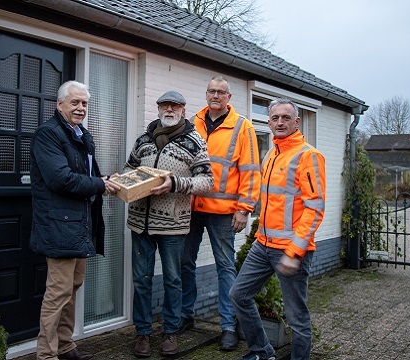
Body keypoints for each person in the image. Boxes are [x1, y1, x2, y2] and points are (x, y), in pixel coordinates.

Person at [229, 98, 326, 360]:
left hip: (291, 250)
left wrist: (294, 252)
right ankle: (262, 351)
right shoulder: (271, 154)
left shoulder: (309, 156)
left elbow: (315, 209)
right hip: (263, 244)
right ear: (269, 122)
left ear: (297, 121)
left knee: (296, 317)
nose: (280, 122)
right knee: (239, 295)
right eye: (275, 118)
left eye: (286, 118)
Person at [29, 80, 120, 360]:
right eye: (75, 102)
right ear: (60, 104)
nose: (80, 108)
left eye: (84, 103)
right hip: (59, 225)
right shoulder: (48, 134)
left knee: (72, 287)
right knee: (57, 293)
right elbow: (60, 179)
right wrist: (100, 184)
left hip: (80, 225)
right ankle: (46, 354)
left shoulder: (83, 134)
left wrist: (106, 181)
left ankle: (65, 345)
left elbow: (90, 175)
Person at [123, 90, 213, 358]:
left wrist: (176, 183)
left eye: (175, 106)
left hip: (173, 225)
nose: (170, 109)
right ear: (159, 108)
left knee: (173, 280)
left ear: (184, 110)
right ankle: (142, 334)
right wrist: (128, 181)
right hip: (140, 222)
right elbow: (129, 169)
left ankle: (171, 331)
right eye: (165, 105)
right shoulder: (144, 139)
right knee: (142, 280)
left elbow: (207, 182)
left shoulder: (195, 141)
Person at [180, 76, 261, 351]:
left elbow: (251, 170)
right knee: (185, 263)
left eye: (221, 92)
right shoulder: (192, 122)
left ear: (229, 98)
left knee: (225, 266)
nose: (216, 95)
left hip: (224, 212)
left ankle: (229, 326)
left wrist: (245, 208)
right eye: (212, 91)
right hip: (191, 208)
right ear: (206, 94)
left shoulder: (242, 127)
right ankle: (185, 315)